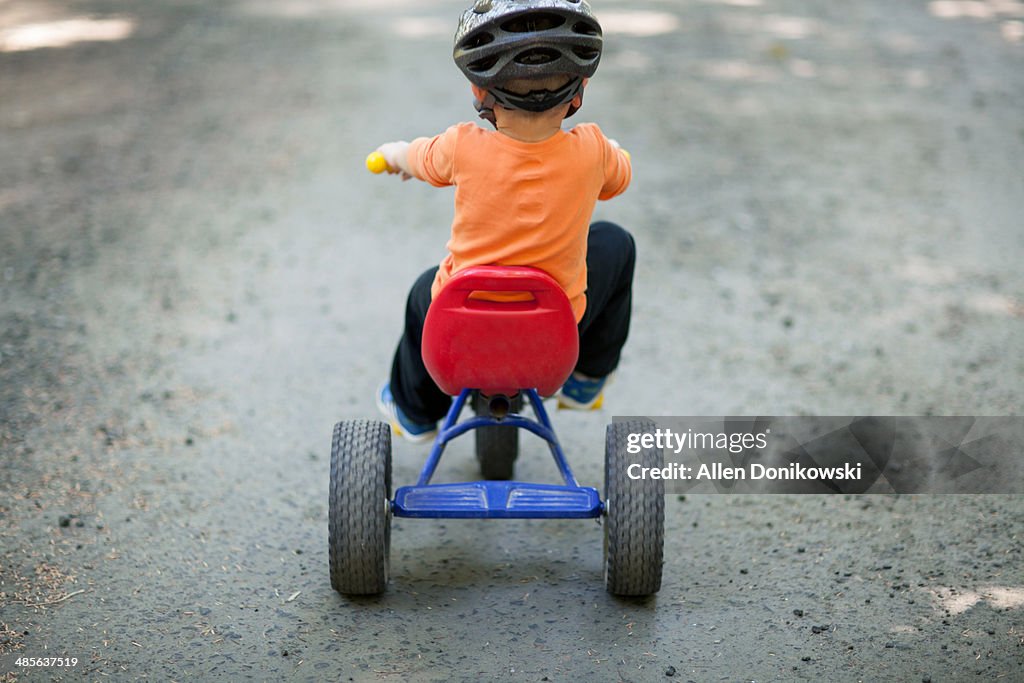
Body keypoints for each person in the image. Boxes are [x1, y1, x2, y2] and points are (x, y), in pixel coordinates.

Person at [372, 0, 635, 442]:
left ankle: (415, 411)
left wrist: (392, 155)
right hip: (554, 338)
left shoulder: (460, 147)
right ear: (579, 92)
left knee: (424, 293)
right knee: (615, 243)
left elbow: (416, 157)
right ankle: (587, 378)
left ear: (478, 92)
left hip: (462, 332)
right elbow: (619, 178)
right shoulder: (593, 150)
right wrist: (612, 151)